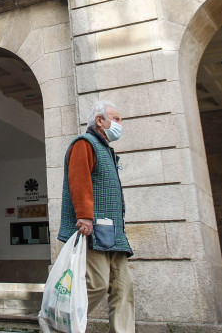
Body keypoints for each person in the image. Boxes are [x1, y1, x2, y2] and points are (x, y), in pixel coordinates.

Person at [58, 99, 134, 333]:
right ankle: (61, 320)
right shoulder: (84, 143)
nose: (121, 124)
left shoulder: (106, 150)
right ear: (100, 120)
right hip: (93, 230)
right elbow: (79, 181)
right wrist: (84, 216)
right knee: (98, 284)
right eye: (116, 119)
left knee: (124, 288)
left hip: (114, 234)